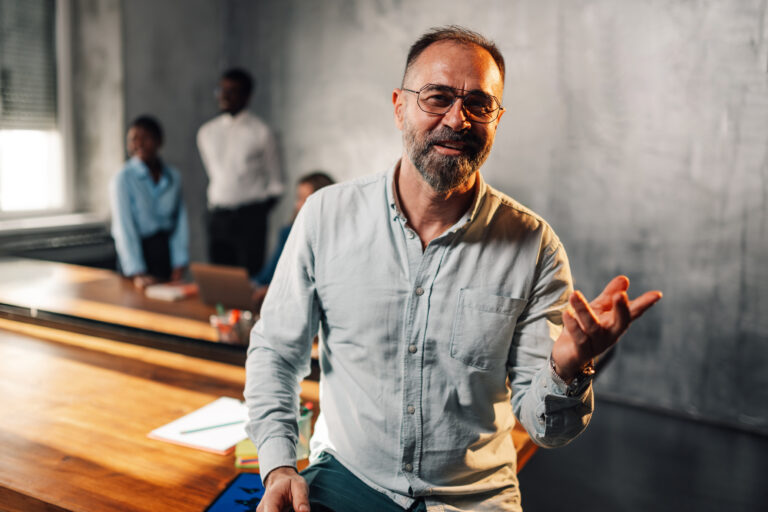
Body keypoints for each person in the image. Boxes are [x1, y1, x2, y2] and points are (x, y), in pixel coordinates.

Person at [245, 26, 663, 512]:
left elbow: (549, 431)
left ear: (498, 119)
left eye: (479, 105)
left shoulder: (536, 247)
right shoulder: (324, 216)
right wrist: (278, 464)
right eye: (437, 97)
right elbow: (276, 351)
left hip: (473, 498)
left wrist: (567, 368)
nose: (458, 119)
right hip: (348, 477)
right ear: (399, 106)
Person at [197, 68, 284, 276]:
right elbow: (215, 173)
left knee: (249, 280)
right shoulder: (206, 132)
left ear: (247, 96)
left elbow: (276, 181)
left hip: (250, 217)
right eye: (221, 90)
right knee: (220, 281)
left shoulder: (261, 132)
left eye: (233, 91)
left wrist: (257, 213)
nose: (225, 96)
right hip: (217, 216)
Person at [110, 115, 189, 289]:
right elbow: (124, 228)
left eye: (145, 138)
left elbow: (179, 223)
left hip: (163, 252)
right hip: (136, 253)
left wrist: (179, 263)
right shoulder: (123, 178)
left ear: (159, 141)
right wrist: (137, 271)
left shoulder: (173, 177)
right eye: (132, 139)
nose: (138, 144)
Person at [251, 171, 335, 310]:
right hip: (277, 304)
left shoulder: (331, 238)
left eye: (303, 199)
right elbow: (266, 276)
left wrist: (276, 291)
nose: (297, 205)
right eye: (298, 198)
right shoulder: (287, 233)